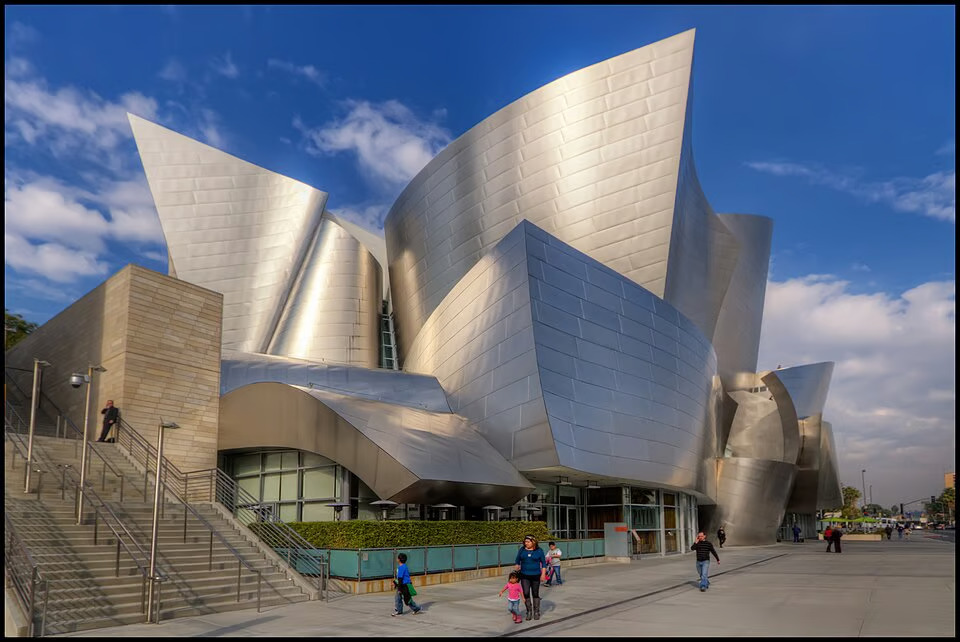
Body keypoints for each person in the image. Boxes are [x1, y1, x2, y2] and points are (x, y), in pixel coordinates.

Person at [514, 535, 547, 620]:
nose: (526, 543)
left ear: (533, 542)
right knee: (526, 593)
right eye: (525, 542)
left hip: (536, 575)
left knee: (535, 593)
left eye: (528, 542)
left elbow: (544, 563)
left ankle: (536, 611)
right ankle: (529, 611)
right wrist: (517, 565)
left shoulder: (539, 551)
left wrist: (543, 574)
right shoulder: (522, 550)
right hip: (524, 575)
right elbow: (517, 560)